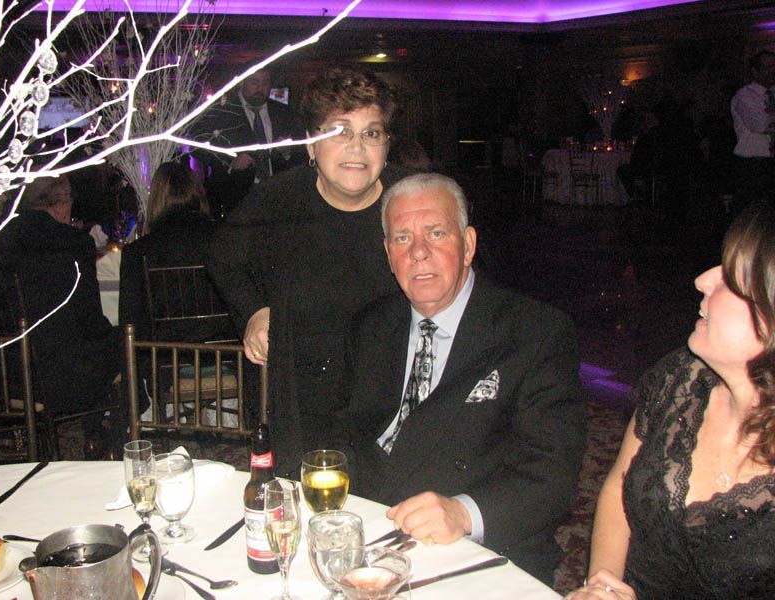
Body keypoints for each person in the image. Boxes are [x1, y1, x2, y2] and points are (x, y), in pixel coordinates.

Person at [343, 173, 585, 585]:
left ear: (469, 244)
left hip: (479, 551)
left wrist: (463, 513)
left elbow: (553, 472)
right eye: (402, 238)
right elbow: (349, 430)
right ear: (388, 254)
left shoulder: (534, 332)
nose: (419, 252)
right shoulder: (371, 326)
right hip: (375, 533)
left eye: (436, 233)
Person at [565, 200, 775, 600]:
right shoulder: (680, 380)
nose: (701, 280)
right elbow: (618, 489)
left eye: (730, 277)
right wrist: (602, 586)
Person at [208, 67, 410, 477]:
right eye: (339, 131)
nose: (357, 147)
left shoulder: (411, 198)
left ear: (386, 146)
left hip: (395, 390)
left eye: (371, 133)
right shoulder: (277, 201)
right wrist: (252, 311)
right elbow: (221, 256)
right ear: (311, 146)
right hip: (303, 392)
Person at [0, 175, 120, 443]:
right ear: (59, 204)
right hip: (62, 374)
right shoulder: (74, 244)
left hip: (5, 373)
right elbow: (89, 316)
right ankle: (103, 436)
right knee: (122, 341)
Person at [119, 160, 231, 344]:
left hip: (166, 357)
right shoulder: (225, 240)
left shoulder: (138, 252)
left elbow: (130, 324)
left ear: (155, 199)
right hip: (225, 352)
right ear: (198, 193)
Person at [191, 68, 304, 216]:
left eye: (265, 83)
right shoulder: (224, 111)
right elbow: (197, 145)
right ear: (242, 83)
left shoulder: (282, 112)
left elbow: (301, 147)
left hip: (277, 196)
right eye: (254, 82)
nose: (260, 88)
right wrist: (229, 161)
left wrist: (287, 151)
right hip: (235, 196)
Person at [731, 50, 775, 210]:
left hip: (770, 163)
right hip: (754, 165)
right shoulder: (744, 96)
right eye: (768, 67)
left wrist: (770, 114)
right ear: (755, 72)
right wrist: (769, 117)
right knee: (755, 215)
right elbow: (760, 124)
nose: (773, 70)